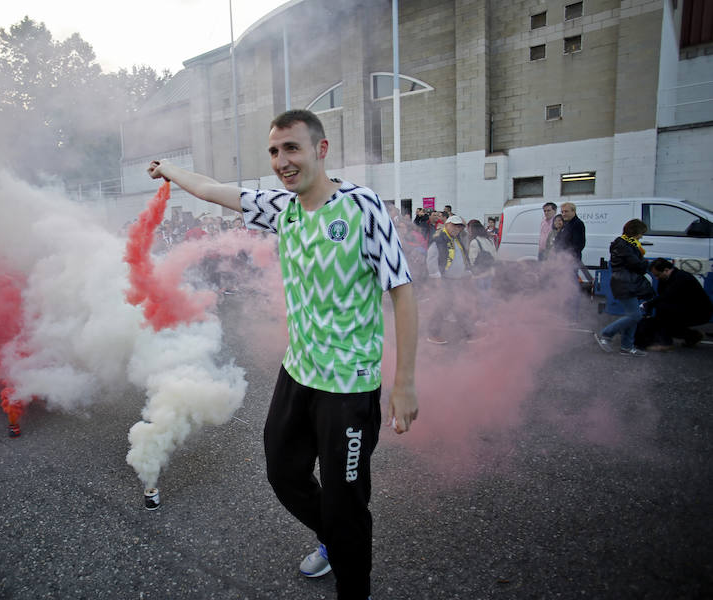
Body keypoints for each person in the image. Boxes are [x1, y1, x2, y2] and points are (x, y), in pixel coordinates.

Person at [147, 109, 418, 600]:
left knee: (346, 503)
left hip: (349, 387)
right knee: (283, 472)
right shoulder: (282, 208)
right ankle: (334, 539)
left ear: (321, 149)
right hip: (298, 374)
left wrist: (405, 383)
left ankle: (352, 579)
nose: (281, 161)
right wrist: (169, 169)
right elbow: (212, 189)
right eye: (274, 151)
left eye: (291, 148)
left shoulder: (362, 207)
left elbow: (401, 289)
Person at [593, 219, 652, 357]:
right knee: (635, 315)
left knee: (633, 315)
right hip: (625, 282)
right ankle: (606, 335)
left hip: (628, 282)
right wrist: (644, 263)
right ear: (634, 232)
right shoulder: (624, 245)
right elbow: (637, 264)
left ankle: (627, 346)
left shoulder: (626, 244)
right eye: (640, 233)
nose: (641, 237)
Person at [637, 258, 713, 349]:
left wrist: (649, 304)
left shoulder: (681, 278)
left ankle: (666, 343)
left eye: (657, 275)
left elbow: (667, 296)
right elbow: (662, 297)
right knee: (660, 318)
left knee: (664, 316)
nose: (656, 278)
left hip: (700, 312)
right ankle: (692, 336)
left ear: (666, 270)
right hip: (685, 308)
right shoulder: (665, 279)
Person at [425, 214, 478, 344]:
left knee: (458, 306)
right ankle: (433, 334)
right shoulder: (439, 239)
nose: (457, 228)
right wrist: (436, 277)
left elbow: (462, 258)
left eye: (459, 227)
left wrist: (468, 272)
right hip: (445, 280)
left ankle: (469, 333)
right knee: (443, 306)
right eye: (454, 225)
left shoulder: (457, 239)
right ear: (447, 224)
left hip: (456, 280)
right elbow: (431, 259)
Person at [467, 219, 497, 312]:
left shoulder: (474, 242)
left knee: (480, 296)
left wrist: (472, 274)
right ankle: (489, 314)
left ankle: (482, 317)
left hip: (479, 273)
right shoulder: (489, 240)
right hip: (488, 272)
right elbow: (494, 256)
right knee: (487, 293)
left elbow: (472, 260)